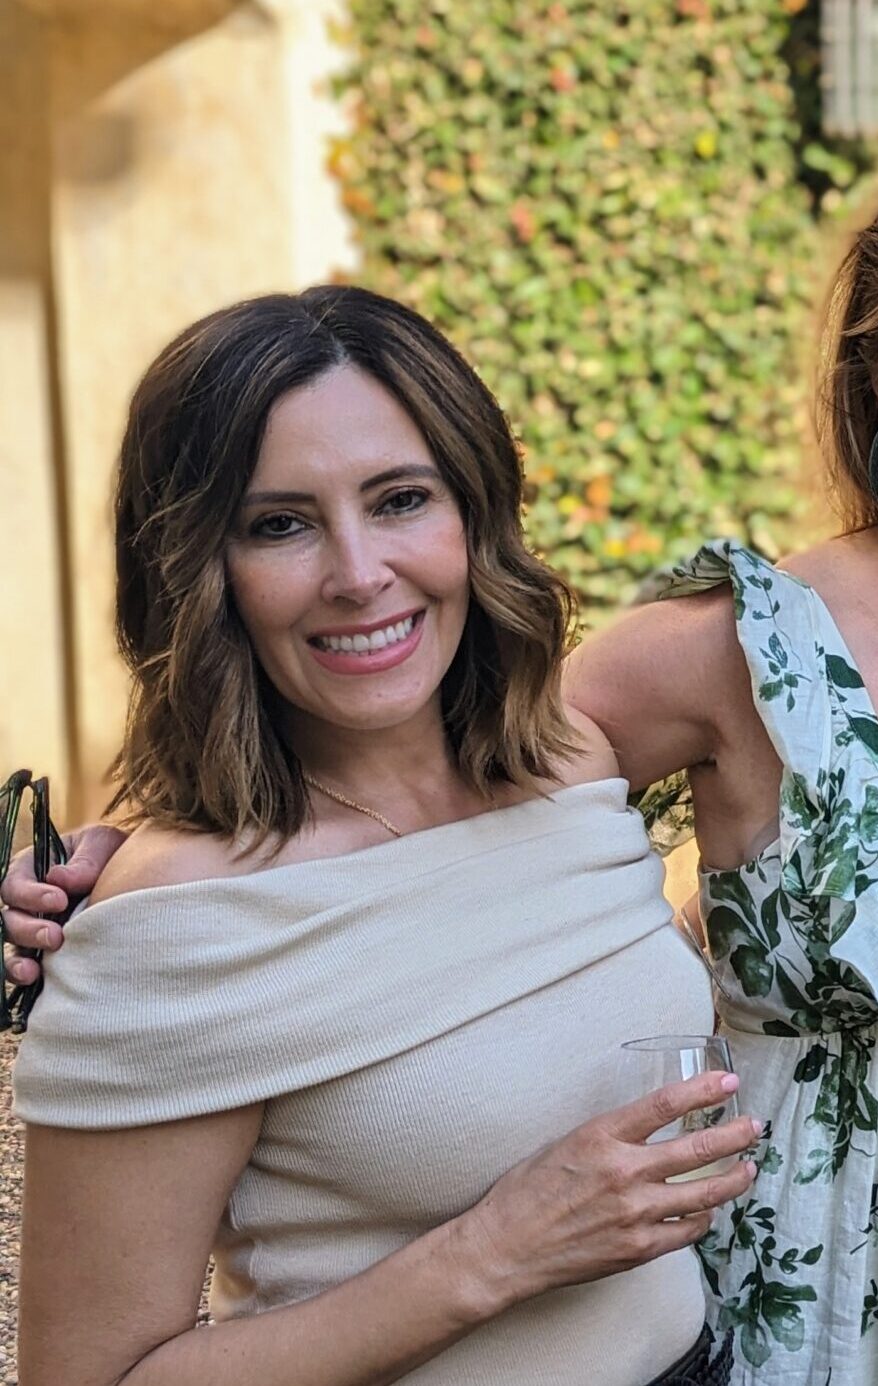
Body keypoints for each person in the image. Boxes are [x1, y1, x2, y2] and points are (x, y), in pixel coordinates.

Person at [9, 159, 878, 1385]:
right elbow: (315, 799)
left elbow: (446, 783)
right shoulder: (727, 658)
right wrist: (103, 878)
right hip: (794, 1319)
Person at [10, 287, 759, 1386]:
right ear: (197, 572)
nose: (359, 574)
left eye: (401, 499)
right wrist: (491, 1255)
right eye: (280, 524)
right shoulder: (168, 927)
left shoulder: (573, 770)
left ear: (474, 513)